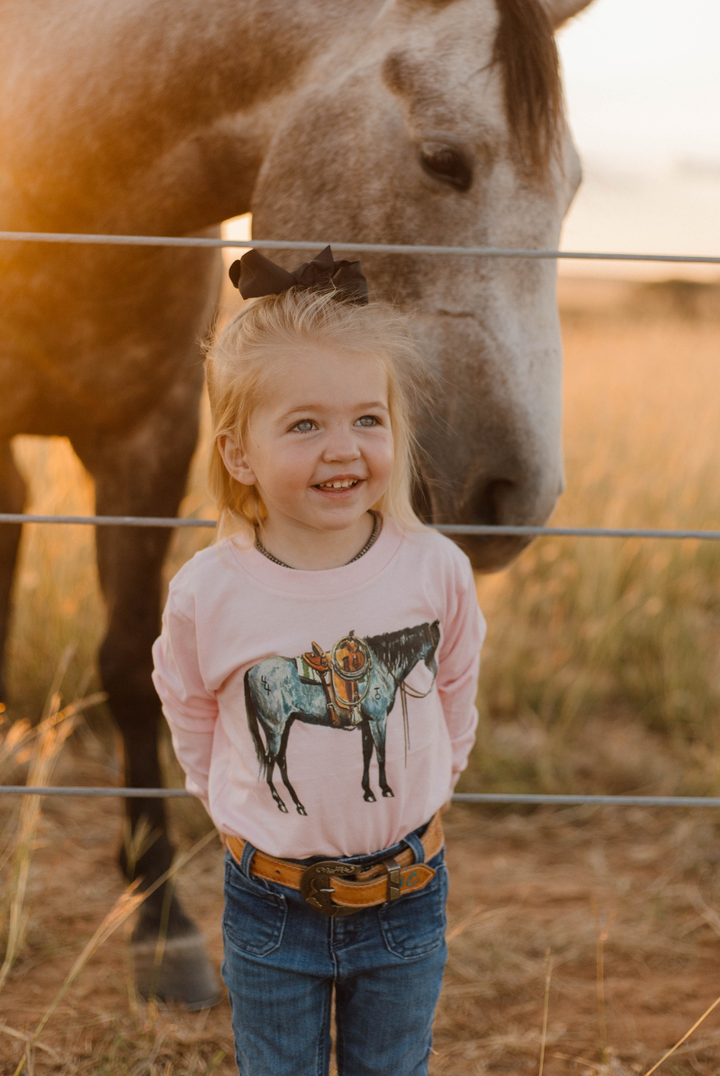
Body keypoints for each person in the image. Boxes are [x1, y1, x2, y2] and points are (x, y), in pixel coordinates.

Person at [152, 246, 486, 1076]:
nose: (344, 449)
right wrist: (222, 801)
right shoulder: (209, 590)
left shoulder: (433, 567)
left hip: (407, 894)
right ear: (238, 454)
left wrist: (434, 783)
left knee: (393, 1066)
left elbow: (453, 682)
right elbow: (188, 703)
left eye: (367, 419)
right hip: (269, 903)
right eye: (305, 424)